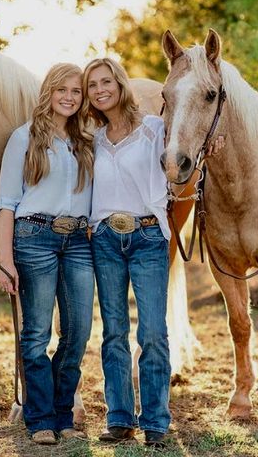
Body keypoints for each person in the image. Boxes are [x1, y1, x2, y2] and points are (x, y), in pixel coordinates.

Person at [0, 63, 94, 445]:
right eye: (62, 90)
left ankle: (62, 409)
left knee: (78, 332)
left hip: (78, 241)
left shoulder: (85, 140)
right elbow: (6, 204)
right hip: (33, 237)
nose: (69, 97)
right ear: (49, 92)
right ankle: (40, 419)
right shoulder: (24, 138)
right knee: (36, 334)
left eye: (76, 92)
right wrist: (5, 261)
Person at [82, 57, 173, 447]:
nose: (100, 90)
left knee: (152, 332)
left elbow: (184, 159)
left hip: (147, 237)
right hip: (105, 239)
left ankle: (155, 421)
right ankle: (119, 418)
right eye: (92, 86)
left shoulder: (154, 129)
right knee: (113, 332)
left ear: (119, 84)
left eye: (106, 81)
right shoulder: (95, 139)